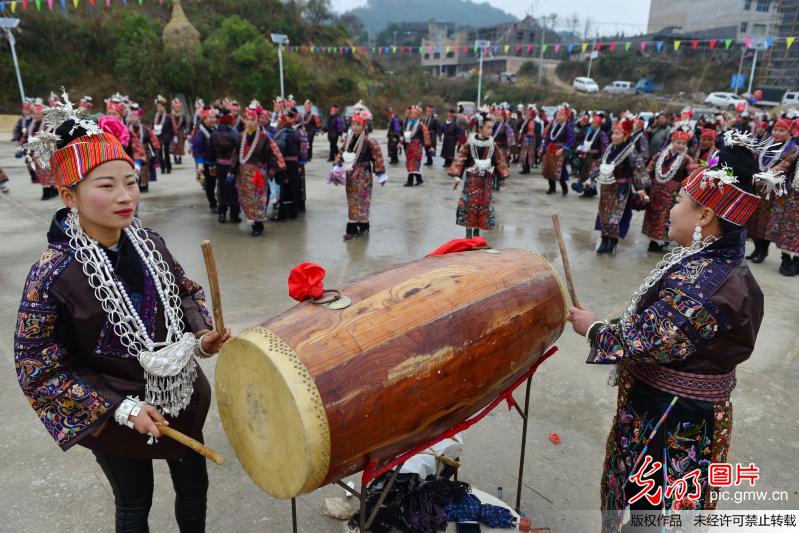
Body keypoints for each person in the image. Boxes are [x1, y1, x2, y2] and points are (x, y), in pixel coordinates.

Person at [17, 95, 231, 532]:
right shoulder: (51, 274)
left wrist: (202, 331)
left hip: (179, 394)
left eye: (130, 182)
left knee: (194, 487)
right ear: (67, 195)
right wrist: (122, 408)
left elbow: (184, 291)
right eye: (106, 185)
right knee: (134, 503)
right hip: (114, 412)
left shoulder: (148, 242)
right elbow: (38, 368)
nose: (124, 196)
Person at [568, 141, 769, 533]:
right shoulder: (709, 263)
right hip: (669, 408)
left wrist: (593, 329)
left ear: (705, 215)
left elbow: (653, 337)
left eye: (680, 200)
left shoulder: (709, 282)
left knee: (655, 515)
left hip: (673, 418)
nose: (672, 209)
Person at [448, 112, 510, 239]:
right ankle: (468, 234)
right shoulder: (469, 144)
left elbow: (499, 162)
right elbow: (460, 160)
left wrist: (501, 178)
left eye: (491, 128)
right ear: (479, 128)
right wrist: (457, 177)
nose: (490, 130)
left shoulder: (493, 145)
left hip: (486, 183)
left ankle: (476, 234)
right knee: (470, 208)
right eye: (488, 127)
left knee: (482, 209)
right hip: (471, 182)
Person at [329, 110, 387, 240]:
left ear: (364, 126)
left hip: (364, 175)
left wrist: (380, 173)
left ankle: (363, 225)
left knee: (363, 200)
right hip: (350, 174)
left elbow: (377, 158)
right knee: (352, 200)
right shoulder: (348, 140)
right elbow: (341, 153)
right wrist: (337, 165)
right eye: (353, 124)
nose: (354, 126)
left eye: (358, 124)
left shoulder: (370, 142)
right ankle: (353, 227)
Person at [746, 118, 798, 263]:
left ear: (789, 133)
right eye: (775, 129)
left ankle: (763, 251)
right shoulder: (767, 144)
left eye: (782, 130)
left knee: (767, 222)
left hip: (774, 189)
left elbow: (783, 166)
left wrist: (762, 176)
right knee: (754, 220)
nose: (777, 132)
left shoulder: (792, 148)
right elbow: (756, 160)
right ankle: (756, 249)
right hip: (758, 186)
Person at [234, 107, 286, 237]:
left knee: (258, 200)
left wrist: (273, 169)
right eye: (247, 119)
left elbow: (271, 156)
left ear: (257, 122)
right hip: (244, 175)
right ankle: (252, 221)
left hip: (258, 174)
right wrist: (231, 171)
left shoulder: (264, 138)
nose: (250, 122)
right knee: (246, 200)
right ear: (244, 121)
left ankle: (258, 224)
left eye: (253, 119)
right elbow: (235, 156)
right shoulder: (240, 137)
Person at [643, 129, 694, 252]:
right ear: (672, 141)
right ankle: (653, 239)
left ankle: (662, 240)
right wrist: (644, 185)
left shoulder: (687, 159)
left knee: (667, 217)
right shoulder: (660, 155)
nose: (680, 145)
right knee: (653, 215)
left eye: (683, 143)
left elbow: (690, 177)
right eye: (678, 142)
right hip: (655, 191)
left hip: (673, 194)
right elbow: (649, 169)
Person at [594, 119, 638, 255]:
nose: (613, 136)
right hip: (607, 187)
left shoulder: (630, 151)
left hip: (622, 189)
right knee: (604, 214)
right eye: (613, 133)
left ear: (625, 136)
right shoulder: (609, 149)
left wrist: (641, 189)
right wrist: (591, 178)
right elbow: (600, 165)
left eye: (618, 133)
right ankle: (603, 239)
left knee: (616, 216)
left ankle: (613, 241)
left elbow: (638, 169)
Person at [767, 150, 799, 275]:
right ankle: (785, 258)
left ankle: (797, 261)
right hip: (792, 199)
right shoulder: (796, 154)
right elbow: (782, 166)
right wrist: (769, 174)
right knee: (787, 229)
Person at [209, 108, 242, 224]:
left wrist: (212, 165)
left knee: (221, 189)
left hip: (219, 165)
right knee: (234, 190)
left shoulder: (214, 135)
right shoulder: (234, 134)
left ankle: (222, 213)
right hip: (233, 166)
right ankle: (234, 214)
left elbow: (211, 152)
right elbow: (239, 151)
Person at [272, 110, 303, 221]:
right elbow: (300, 150)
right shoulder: (294, 132)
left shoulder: (282, 133)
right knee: (293, 188)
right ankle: (293, 212)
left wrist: (281, 170)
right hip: (294, 164)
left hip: (285, 164)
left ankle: (282, 214)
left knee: (284, 188)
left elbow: (278, 152)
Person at [540, 106, 575, 195]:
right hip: (550, 149)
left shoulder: (568, 128)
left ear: (566, 117)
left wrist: (563, 149)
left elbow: (570, 140)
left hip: (560, 151)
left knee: (559, 170)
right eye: (558, 115)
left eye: (561, 115)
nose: (558, 117)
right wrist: (543, 147)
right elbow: (548, 137)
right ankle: (552, 188)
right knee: (549, 168)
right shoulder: (553, 126)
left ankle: (564, 188)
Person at [126, 105, 160, 194]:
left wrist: (156, 152)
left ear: (139, 117)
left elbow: (153, 140)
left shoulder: (145, 129)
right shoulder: (126, 129)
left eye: (136, 117)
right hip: (131, 153)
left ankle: (144, 185)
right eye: (132, 117)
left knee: (144, 168)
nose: (134, 119)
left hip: (144, 152)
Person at [573, 113, 609, 197]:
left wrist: (603, 158)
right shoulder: (588, 131)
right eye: (592, 122)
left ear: (599, 124)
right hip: (585, 155)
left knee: (591, 174)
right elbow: (582, 140)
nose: (592, 124)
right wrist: (579, 148)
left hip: (595, 157)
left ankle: (588, 191)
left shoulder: (601, 134)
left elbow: (605, 147)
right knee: (584, 172)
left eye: (594, 123)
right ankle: (590, 190)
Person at [191, 107, 218, 214]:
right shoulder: (200, 133)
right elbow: (197, 150)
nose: (212, 119)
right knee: (209, 186)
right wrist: (199, 163)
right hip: (206, 163)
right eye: (210, 118)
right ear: (204, 119)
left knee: (217, 184)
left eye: (214, 117)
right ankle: (213, 204)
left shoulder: (215, 129)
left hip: (217, 162)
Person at [402, 105, 433, 187]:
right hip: (409, 146)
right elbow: (405, 135)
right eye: (411, 113)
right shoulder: (408, 123)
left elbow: (426, 136)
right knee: (411, 163)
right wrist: (401, 142)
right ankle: (419, 179)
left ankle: (410, 181)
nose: (411, 115)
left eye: (413, 113)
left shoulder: (421, 125)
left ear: (417, 115)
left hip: (416, 147)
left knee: (413, 163)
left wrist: (429, 147)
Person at [153, 95, 174, 175]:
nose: (160, 109)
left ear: (164, 107)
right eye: (158, 107)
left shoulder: (168, 116)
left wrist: (171, 136)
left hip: (166, 137)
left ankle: (168, 167)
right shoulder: (156, 116)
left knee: (166, 152)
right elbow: (152, 125)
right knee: (160, 153)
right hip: (158, 137)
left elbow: (171, 127)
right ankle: (162, 168)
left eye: (161, 107)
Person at [518, 106, 539, 175]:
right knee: (525, 155)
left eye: (528, 114)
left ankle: (526, 169)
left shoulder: (531, 122)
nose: (526, 115)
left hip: (528, 141)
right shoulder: (527, 121)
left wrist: (525, 137)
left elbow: (531, 132)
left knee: (527, 155)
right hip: (526, 140)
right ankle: (525, 168)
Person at [170, 98, 189, 166]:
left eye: (178, 107)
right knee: (174, 145)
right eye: (176, 107)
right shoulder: (171, 115)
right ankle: (175, 157)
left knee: (180, 145)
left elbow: (185, 124)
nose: (177, 109)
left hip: (180, 132)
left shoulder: (182, 115)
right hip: (173, 132)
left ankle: (180, 157)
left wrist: (186, 131)